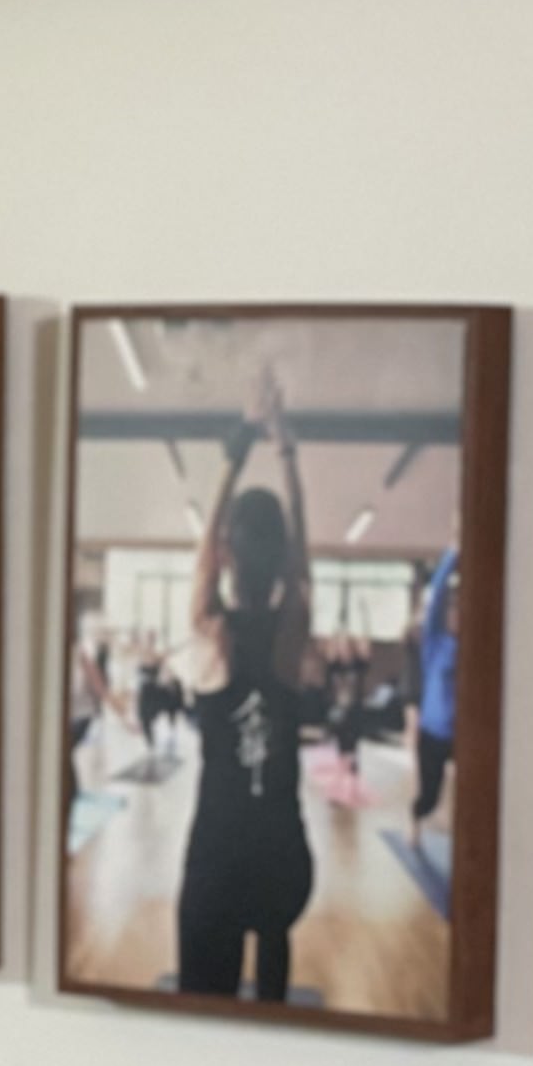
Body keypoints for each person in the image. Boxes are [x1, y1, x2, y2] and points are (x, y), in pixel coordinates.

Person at [174, 380, 321, 1003]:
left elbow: (205, 562)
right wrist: (286, 453)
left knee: (206, 1019)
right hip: (284, 863)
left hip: (220, 868)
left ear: (232, 553)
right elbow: (303, 567)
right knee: (275, 947)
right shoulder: (290, 638)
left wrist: (237, 449)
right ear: (281, 558)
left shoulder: (213, 637)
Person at [413, 545, 463, 836]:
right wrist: (451, 558)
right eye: (452, 610)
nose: (455, 616)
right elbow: (435, 600)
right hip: (432, 733)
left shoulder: (470, 647)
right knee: (429, 797)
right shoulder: (435, 645)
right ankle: (416, 819)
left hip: (461, 735)